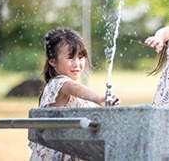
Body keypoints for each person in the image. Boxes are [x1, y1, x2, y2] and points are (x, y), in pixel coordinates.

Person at [29, 27, 119, 161]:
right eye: (70, 58)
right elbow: (74, 88)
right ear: (52, 61)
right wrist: (99, 98)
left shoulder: (79, 94)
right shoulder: (57, 84)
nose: (77, 64)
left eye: (81, 57)